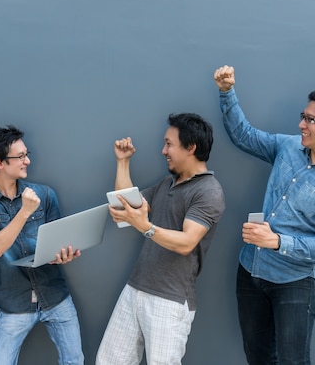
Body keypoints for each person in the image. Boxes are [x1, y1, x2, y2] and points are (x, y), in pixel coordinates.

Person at [213, 65, 315, 364]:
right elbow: (244, 136)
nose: (301, 125)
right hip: (250, 269)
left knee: (293, 361)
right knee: (257, 357)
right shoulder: (289, 147)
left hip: (294, 283)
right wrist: (226, 91)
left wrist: (277, 241)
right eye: (303, 116)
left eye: (311, 120)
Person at [96, 113, 226, 365]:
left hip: (170, 299)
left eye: (169, 144)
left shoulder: (209, 191)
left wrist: (146, 227)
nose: (163, 150)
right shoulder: (168, 183)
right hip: (135, 289)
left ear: (191, 148)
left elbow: (188, 241)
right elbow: (126, 208)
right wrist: (123, 162)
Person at [0, 125, 84, 365]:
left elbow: (57, 239)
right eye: (20, 157)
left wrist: (63, 254)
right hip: (14, 303)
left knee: (74, 361)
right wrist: (24, 212)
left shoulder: (45, 194)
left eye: (26, 154)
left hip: (55, 296)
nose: (27, 161)